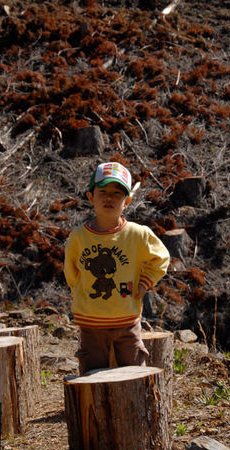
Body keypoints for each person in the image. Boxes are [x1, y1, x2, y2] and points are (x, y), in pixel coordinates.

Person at [64, 161, 170, 375]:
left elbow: (161, 258)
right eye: (103, 191)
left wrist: (144, 283)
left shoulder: (137, 234)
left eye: (117, 193)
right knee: (92, 374)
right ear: (91, 197)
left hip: (127, 322)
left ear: (127, 201)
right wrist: (82, 294)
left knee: (133, 374)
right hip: (91, 322)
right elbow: (71, 272)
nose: (109, 198)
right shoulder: (79, 237)